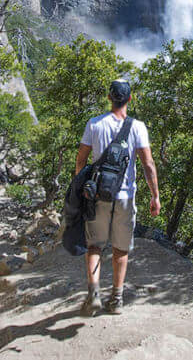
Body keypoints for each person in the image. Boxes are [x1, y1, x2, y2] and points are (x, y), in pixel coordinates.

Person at [74, 79, 160, 315]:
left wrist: (79, 186)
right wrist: (155, 196)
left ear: (110, 98)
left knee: (94, 245)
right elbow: (148, 164)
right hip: (125, 196)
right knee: (121, 248)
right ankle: (117, 299)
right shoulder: (138, 127)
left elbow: (81, 159)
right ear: (129, 99)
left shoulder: (94, 124)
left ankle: (93, 295)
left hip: (98, 194)